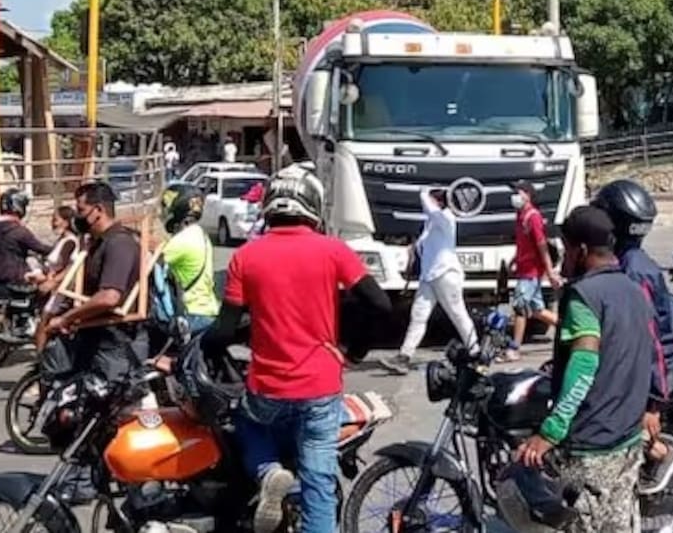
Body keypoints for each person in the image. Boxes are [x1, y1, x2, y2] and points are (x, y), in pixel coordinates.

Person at [207, 169, 392, 533]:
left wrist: (204, 346)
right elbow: (380, 305)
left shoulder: (246, 257)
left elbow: (224, 331)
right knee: (318, 482)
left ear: (269, 206)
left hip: (268, 388)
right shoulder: (333, 250)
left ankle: (268, 471)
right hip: (321, 387)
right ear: (313, 206)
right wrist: (354, 352)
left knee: (244, 422)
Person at [515, 206, 660, 533]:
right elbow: (644, 353)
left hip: (591, 445)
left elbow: (584, 363)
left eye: (565, 250)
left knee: (525, 486)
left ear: (580, 251)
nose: (562, 260)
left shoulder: (583, 295)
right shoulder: (634, 292)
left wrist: (551, 431)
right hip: (626, 438)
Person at [589, 179, 673, 495]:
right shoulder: (620, 261)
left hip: (642, 374)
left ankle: (660, 455)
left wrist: (653, 402)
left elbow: (653, 339)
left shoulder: (634, 270)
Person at [41, 181, 145, 385]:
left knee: (112, 407)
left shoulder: (119, 243)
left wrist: (67, 318)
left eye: (81, 210)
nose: (76, 217)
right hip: (94, 335)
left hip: (115, 342)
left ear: (98, 210)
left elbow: (109, 297)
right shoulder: (98, 243)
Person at [380, 187, 479, 375]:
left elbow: (429, 208)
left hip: (446, 274)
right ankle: (404, 356)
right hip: (429, 276)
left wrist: (423, 192)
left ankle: (475, 351)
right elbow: (423, 243)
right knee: (418, 316)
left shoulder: (446, 218)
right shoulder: (431, 224)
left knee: (458, 314)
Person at [501, 180, 561, 363]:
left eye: (518, 192)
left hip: (531, 272)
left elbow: (542, 245)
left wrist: (550, 272)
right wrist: (514, 260)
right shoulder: (520, 216)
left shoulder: (532, 217)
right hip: (524, 269)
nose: (515, 196)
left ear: (527, 195)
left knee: (520, 308)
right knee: (537, 310)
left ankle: (514, 349)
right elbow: (522, 244)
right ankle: (569, 329)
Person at [159, 183, 218, 333]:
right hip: (206, 310)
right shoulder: (199, 233)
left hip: (191, 314)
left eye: (166, 206)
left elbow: (148, 264)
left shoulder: (182, 240)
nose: (163, 212)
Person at [30, 206, 82, 352]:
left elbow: (68, 267)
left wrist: (52, 281)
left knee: (44, 323)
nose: (52, 223)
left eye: (55, 219)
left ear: (66, 222)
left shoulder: (69, 242)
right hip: (54, 287)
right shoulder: (62, 240)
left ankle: (41, 359)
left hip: (61, 289)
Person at [0, 189, 54, 286]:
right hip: (14, 278)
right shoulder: (18, 230)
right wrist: (60, 248)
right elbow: (41, 248)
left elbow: (7, 248)